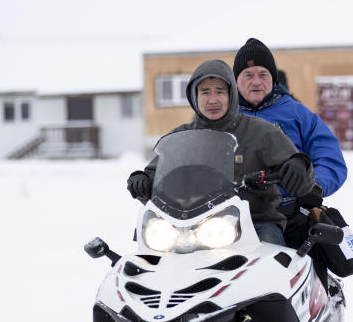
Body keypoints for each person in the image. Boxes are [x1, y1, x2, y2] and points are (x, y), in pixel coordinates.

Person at [126, 59, 315, 246]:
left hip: (254, 223)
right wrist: (141, 179)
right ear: (194, 96)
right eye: (205, 92)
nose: (213, 100)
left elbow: (297, 171)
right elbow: (157, 176)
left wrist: (298, 165)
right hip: (188, 227)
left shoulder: (261, 132)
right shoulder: (181, 137)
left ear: (232, 95)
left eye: (220, 91)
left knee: (274, 266)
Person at [233, 38, 347, 199]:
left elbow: (329, 157)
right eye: (248, 75)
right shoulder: (223, 116)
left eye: (263, 74)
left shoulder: (299, 114)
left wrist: (315, 186)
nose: (256, 82)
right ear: (236, 81)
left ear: (273, 79)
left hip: (288, 206)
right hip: (229, 211)